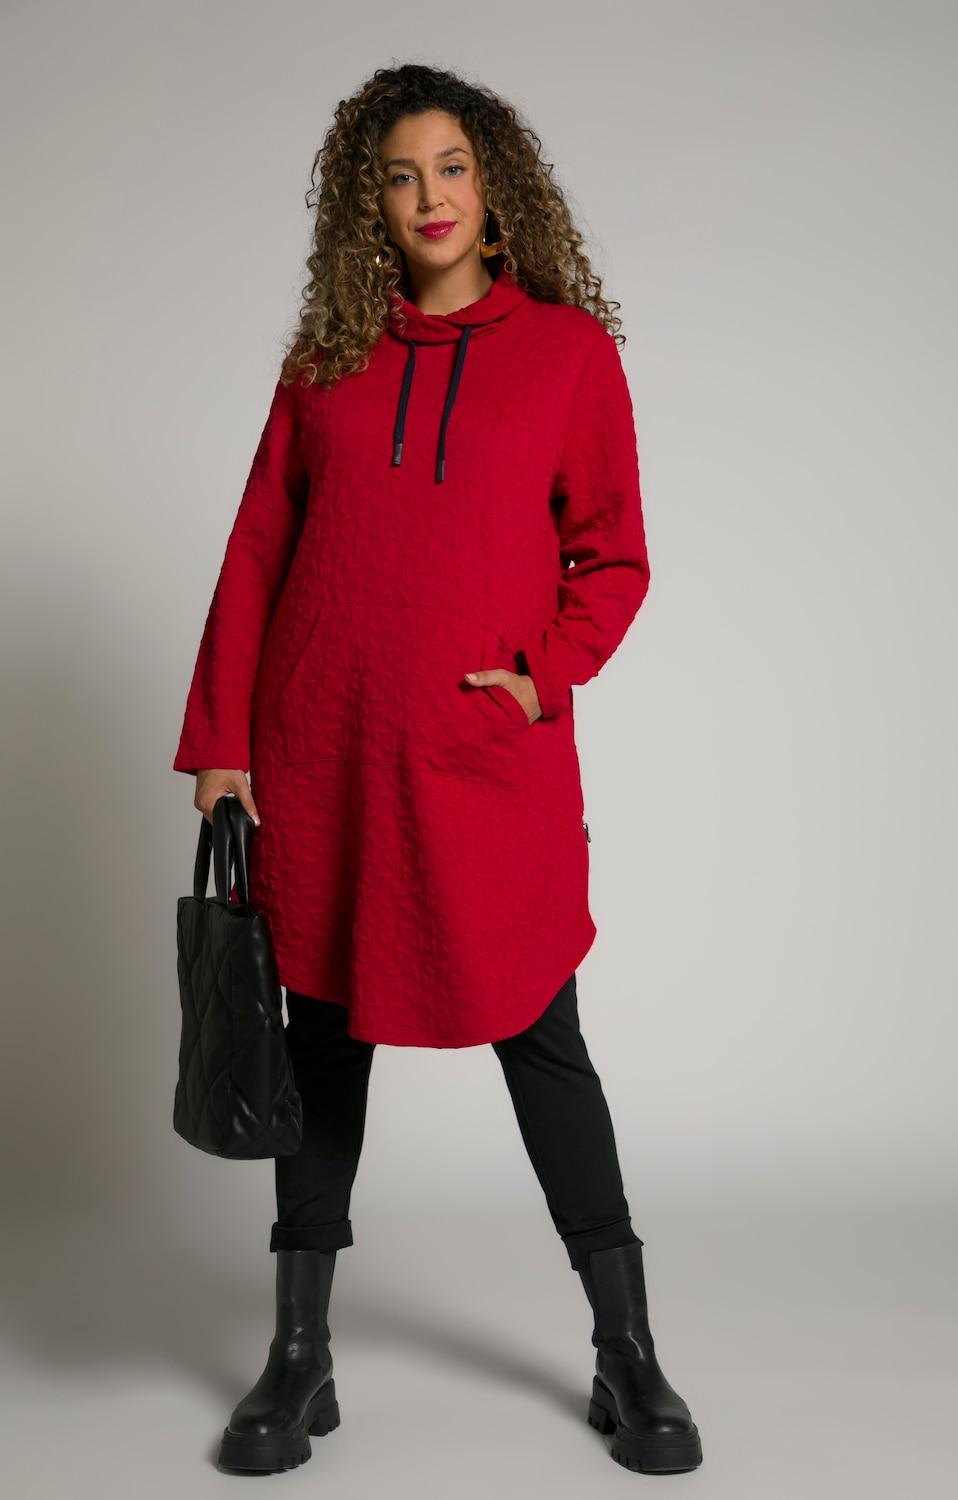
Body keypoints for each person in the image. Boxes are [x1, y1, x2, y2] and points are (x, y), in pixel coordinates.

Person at [172, 62, 703, 1477]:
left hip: (482, 765)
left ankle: (628, 1350)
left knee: (544, 1037)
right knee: (319, 1047)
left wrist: (543, 672)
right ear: (370, 202)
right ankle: (299, 1358)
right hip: (325, 753)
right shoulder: (326, 359)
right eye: (400, 175)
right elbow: (258, 548)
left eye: (452, 168)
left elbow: (614, 555)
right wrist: (222, 740)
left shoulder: (567, 355)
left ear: (495, 183)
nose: (429, 198)